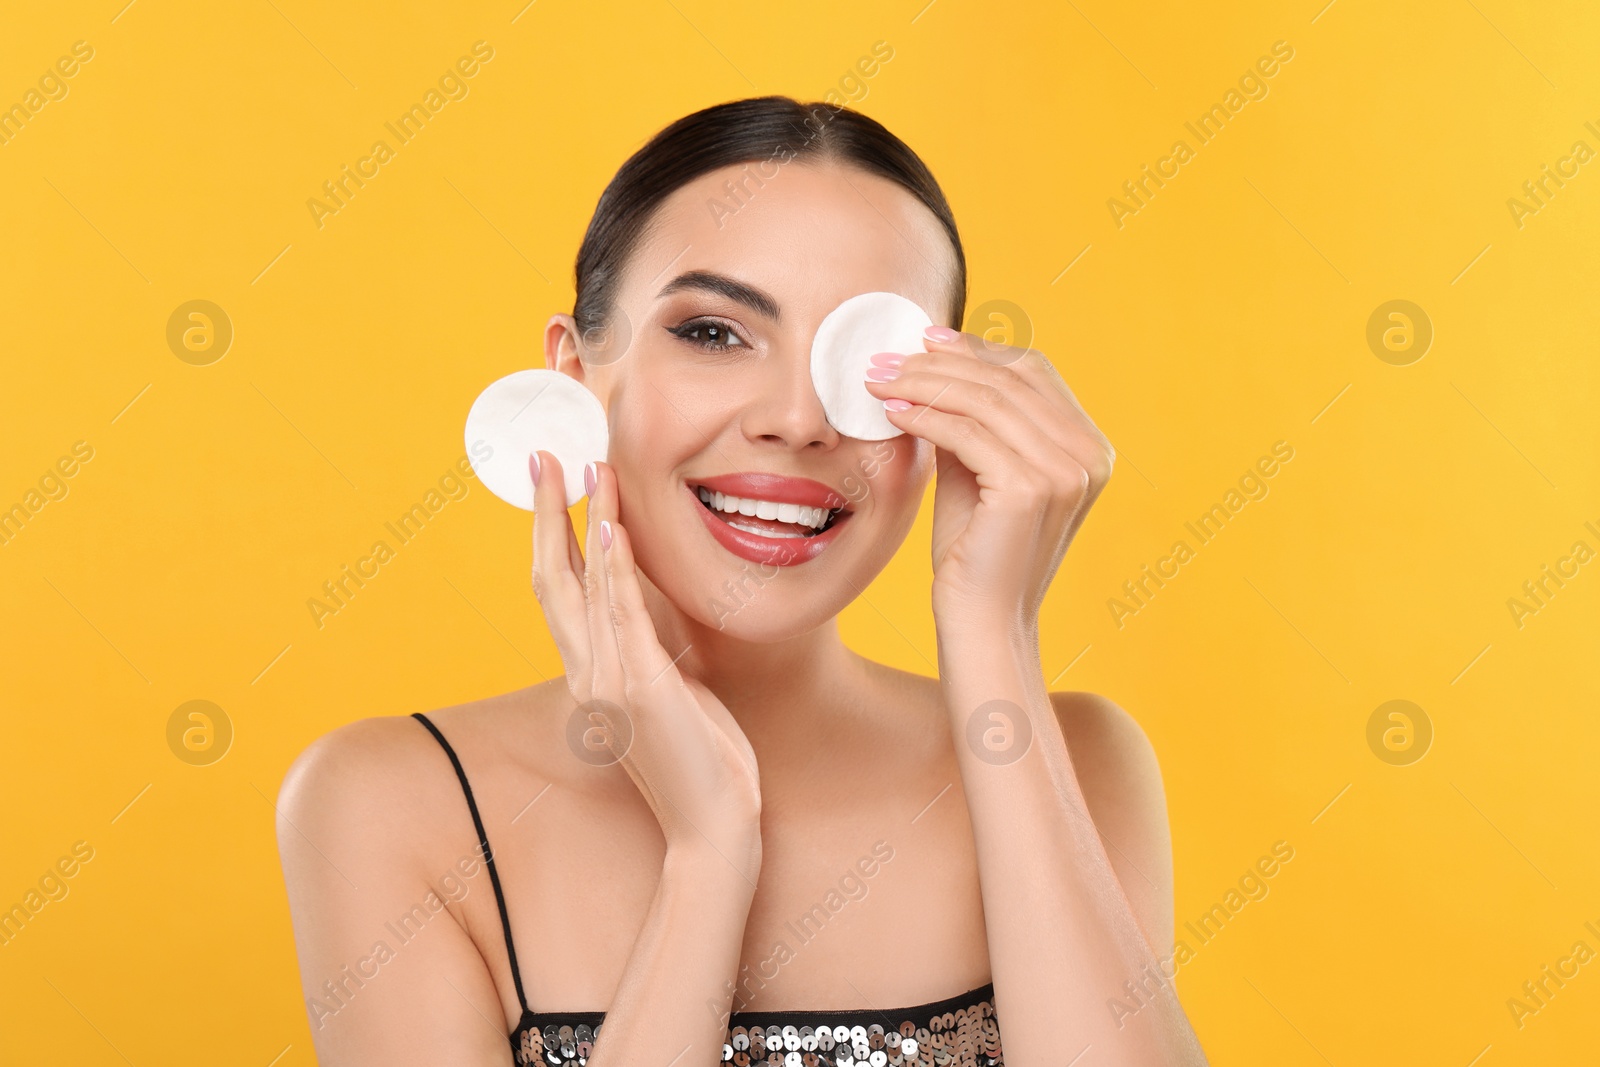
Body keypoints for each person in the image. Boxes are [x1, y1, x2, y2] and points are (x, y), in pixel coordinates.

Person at [276, 95, 1207, 1066]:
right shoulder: (389, 804)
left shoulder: (1080, 762)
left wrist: (993, 634)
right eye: (715, 332)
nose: (799, 419)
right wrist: (708, 855)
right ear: (573, 375)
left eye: (866, 358)